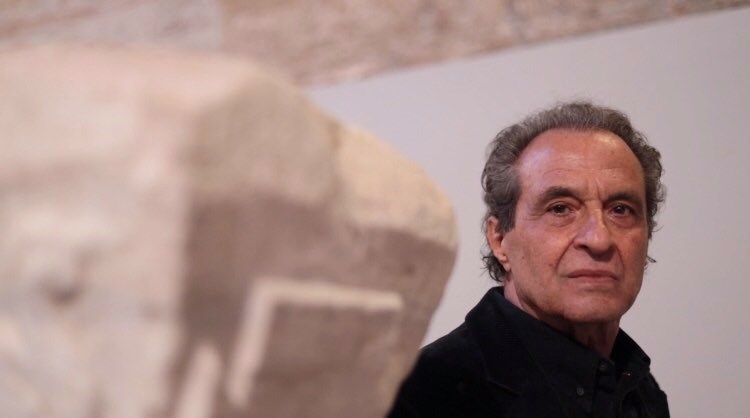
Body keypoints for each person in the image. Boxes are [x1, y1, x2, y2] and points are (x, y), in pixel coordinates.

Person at [388, 102, 670, 417]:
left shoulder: (640, 390)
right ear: (499, 239)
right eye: (560, 209)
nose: (599, 239)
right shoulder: (415, 399)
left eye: (620, 210)